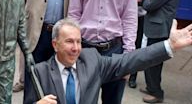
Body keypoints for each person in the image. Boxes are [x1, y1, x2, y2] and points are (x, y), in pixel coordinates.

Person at [24, 18, 192, 104]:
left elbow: (129, 61)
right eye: (69, 42)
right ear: (55, 44)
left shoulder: (91, 61)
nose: (76, 48)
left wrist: (169, 46)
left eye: (79, 41)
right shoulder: (39, 72)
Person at [139, 0, 180, 103]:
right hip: (159, 27)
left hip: (158, 29)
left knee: (154, 61)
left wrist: (141, 0)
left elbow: (151, 5)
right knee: (153, 59)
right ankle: (152, 87)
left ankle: (156, 93)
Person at [128, 0, 156, 89]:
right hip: (126, 16)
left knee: (137, 47)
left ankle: (132, 77)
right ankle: (119, 71)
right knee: (123, 44)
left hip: (141, 17)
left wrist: (143, 0)